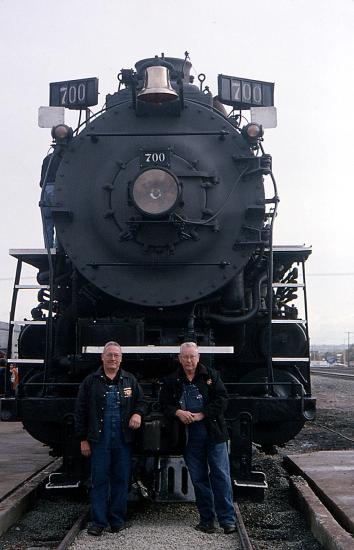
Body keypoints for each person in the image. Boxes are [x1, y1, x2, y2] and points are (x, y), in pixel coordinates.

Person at [159, 342, 236, 534]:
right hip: (189, 436)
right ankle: (206, 519)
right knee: (199, 478)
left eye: (192, 356)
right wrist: (178, 412)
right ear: (179, 358)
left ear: (198, 357)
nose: (189, 360)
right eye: (185, 357)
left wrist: (202, 414)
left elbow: (222, 399)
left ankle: (227, 520)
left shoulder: (211, 375)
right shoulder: (172, 380)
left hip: (214, 433)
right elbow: (164, 405)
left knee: (221, 475)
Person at [75, 341, 146, 536]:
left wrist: (138, 413)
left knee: (121, 479)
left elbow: (141, 402)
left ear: (121, 358)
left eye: (116, 355)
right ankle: (98, 521)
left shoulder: (129, 380)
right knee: (99, 480)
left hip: (123, 439)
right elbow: (80, 411)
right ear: (102, 358)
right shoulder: (90, 382)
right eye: (109, 355)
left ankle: (117, 520)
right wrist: (82, 438)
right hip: (99, 438)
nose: (113, 358)